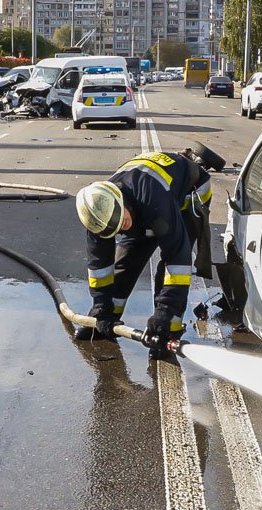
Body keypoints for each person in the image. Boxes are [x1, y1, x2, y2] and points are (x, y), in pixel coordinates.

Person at [75, 150, 213, 359]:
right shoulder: (98, 214)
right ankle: (109, 318)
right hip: (144, 207)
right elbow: (99, 267)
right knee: (126, 262)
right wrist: (101, 307)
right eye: (116, 227)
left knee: (168, 269)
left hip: (187, 198)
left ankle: (169, 332)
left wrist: (164, 311)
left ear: (121, 201)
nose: (123, 226)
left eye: (122, 220)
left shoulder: (152, 198)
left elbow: (178, 261)